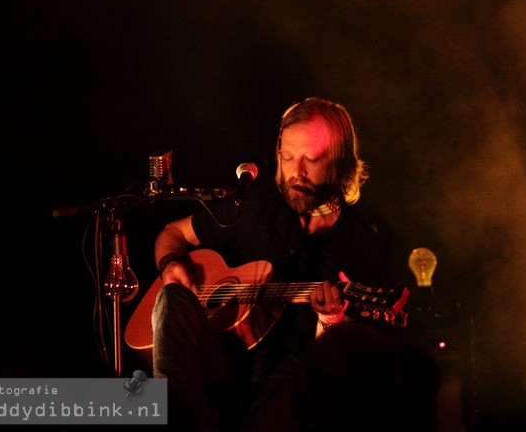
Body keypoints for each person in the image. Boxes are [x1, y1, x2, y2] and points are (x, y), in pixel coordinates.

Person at [150, 98, 393, 431]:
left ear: (339, 162)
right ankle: (175, 418)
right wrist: (169, 265)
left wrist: (330, 320)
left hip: (290, 374)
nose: (297, 172)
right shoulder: (255, 205)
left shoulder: (361, 244)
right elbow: (172, 233)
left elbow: (341, 376)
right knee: (172, 297)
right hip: (214, 357)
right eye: (289, 157)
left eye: (312, 159)